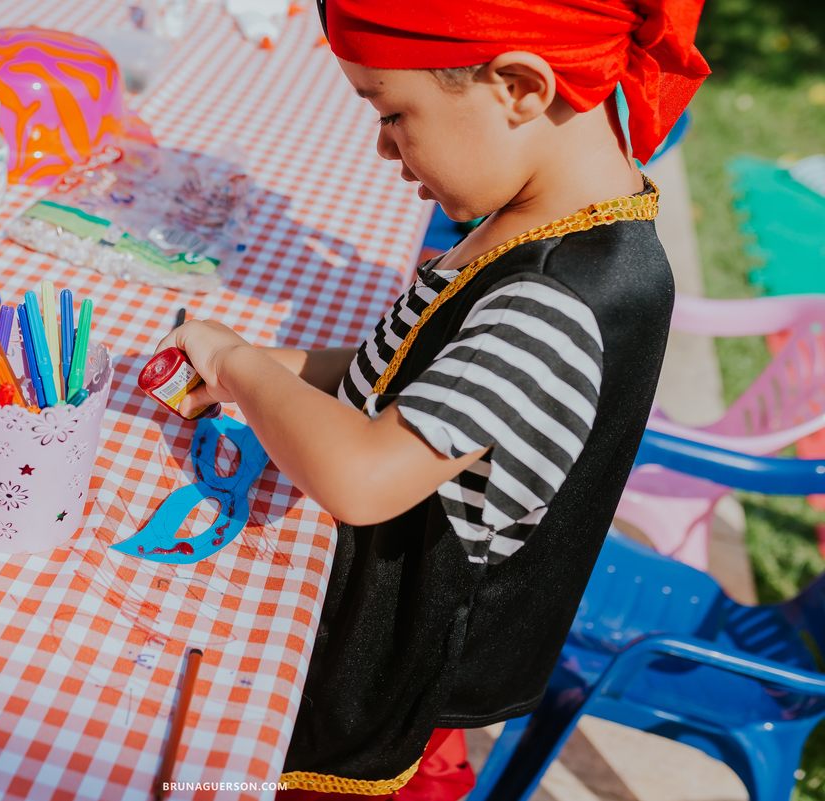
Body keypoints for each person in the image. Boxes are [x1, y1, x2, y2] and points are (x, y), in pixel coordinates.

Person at [155, 0, 710, 796]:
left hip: (385, 678)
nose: (383, 147)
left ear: (519, 86)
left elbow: (361, 477)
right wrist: (280, 365)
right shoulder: (540, 214)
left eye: (392, 112)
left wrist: (240, 363)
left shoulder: (556, 303)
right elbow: (414, 371)